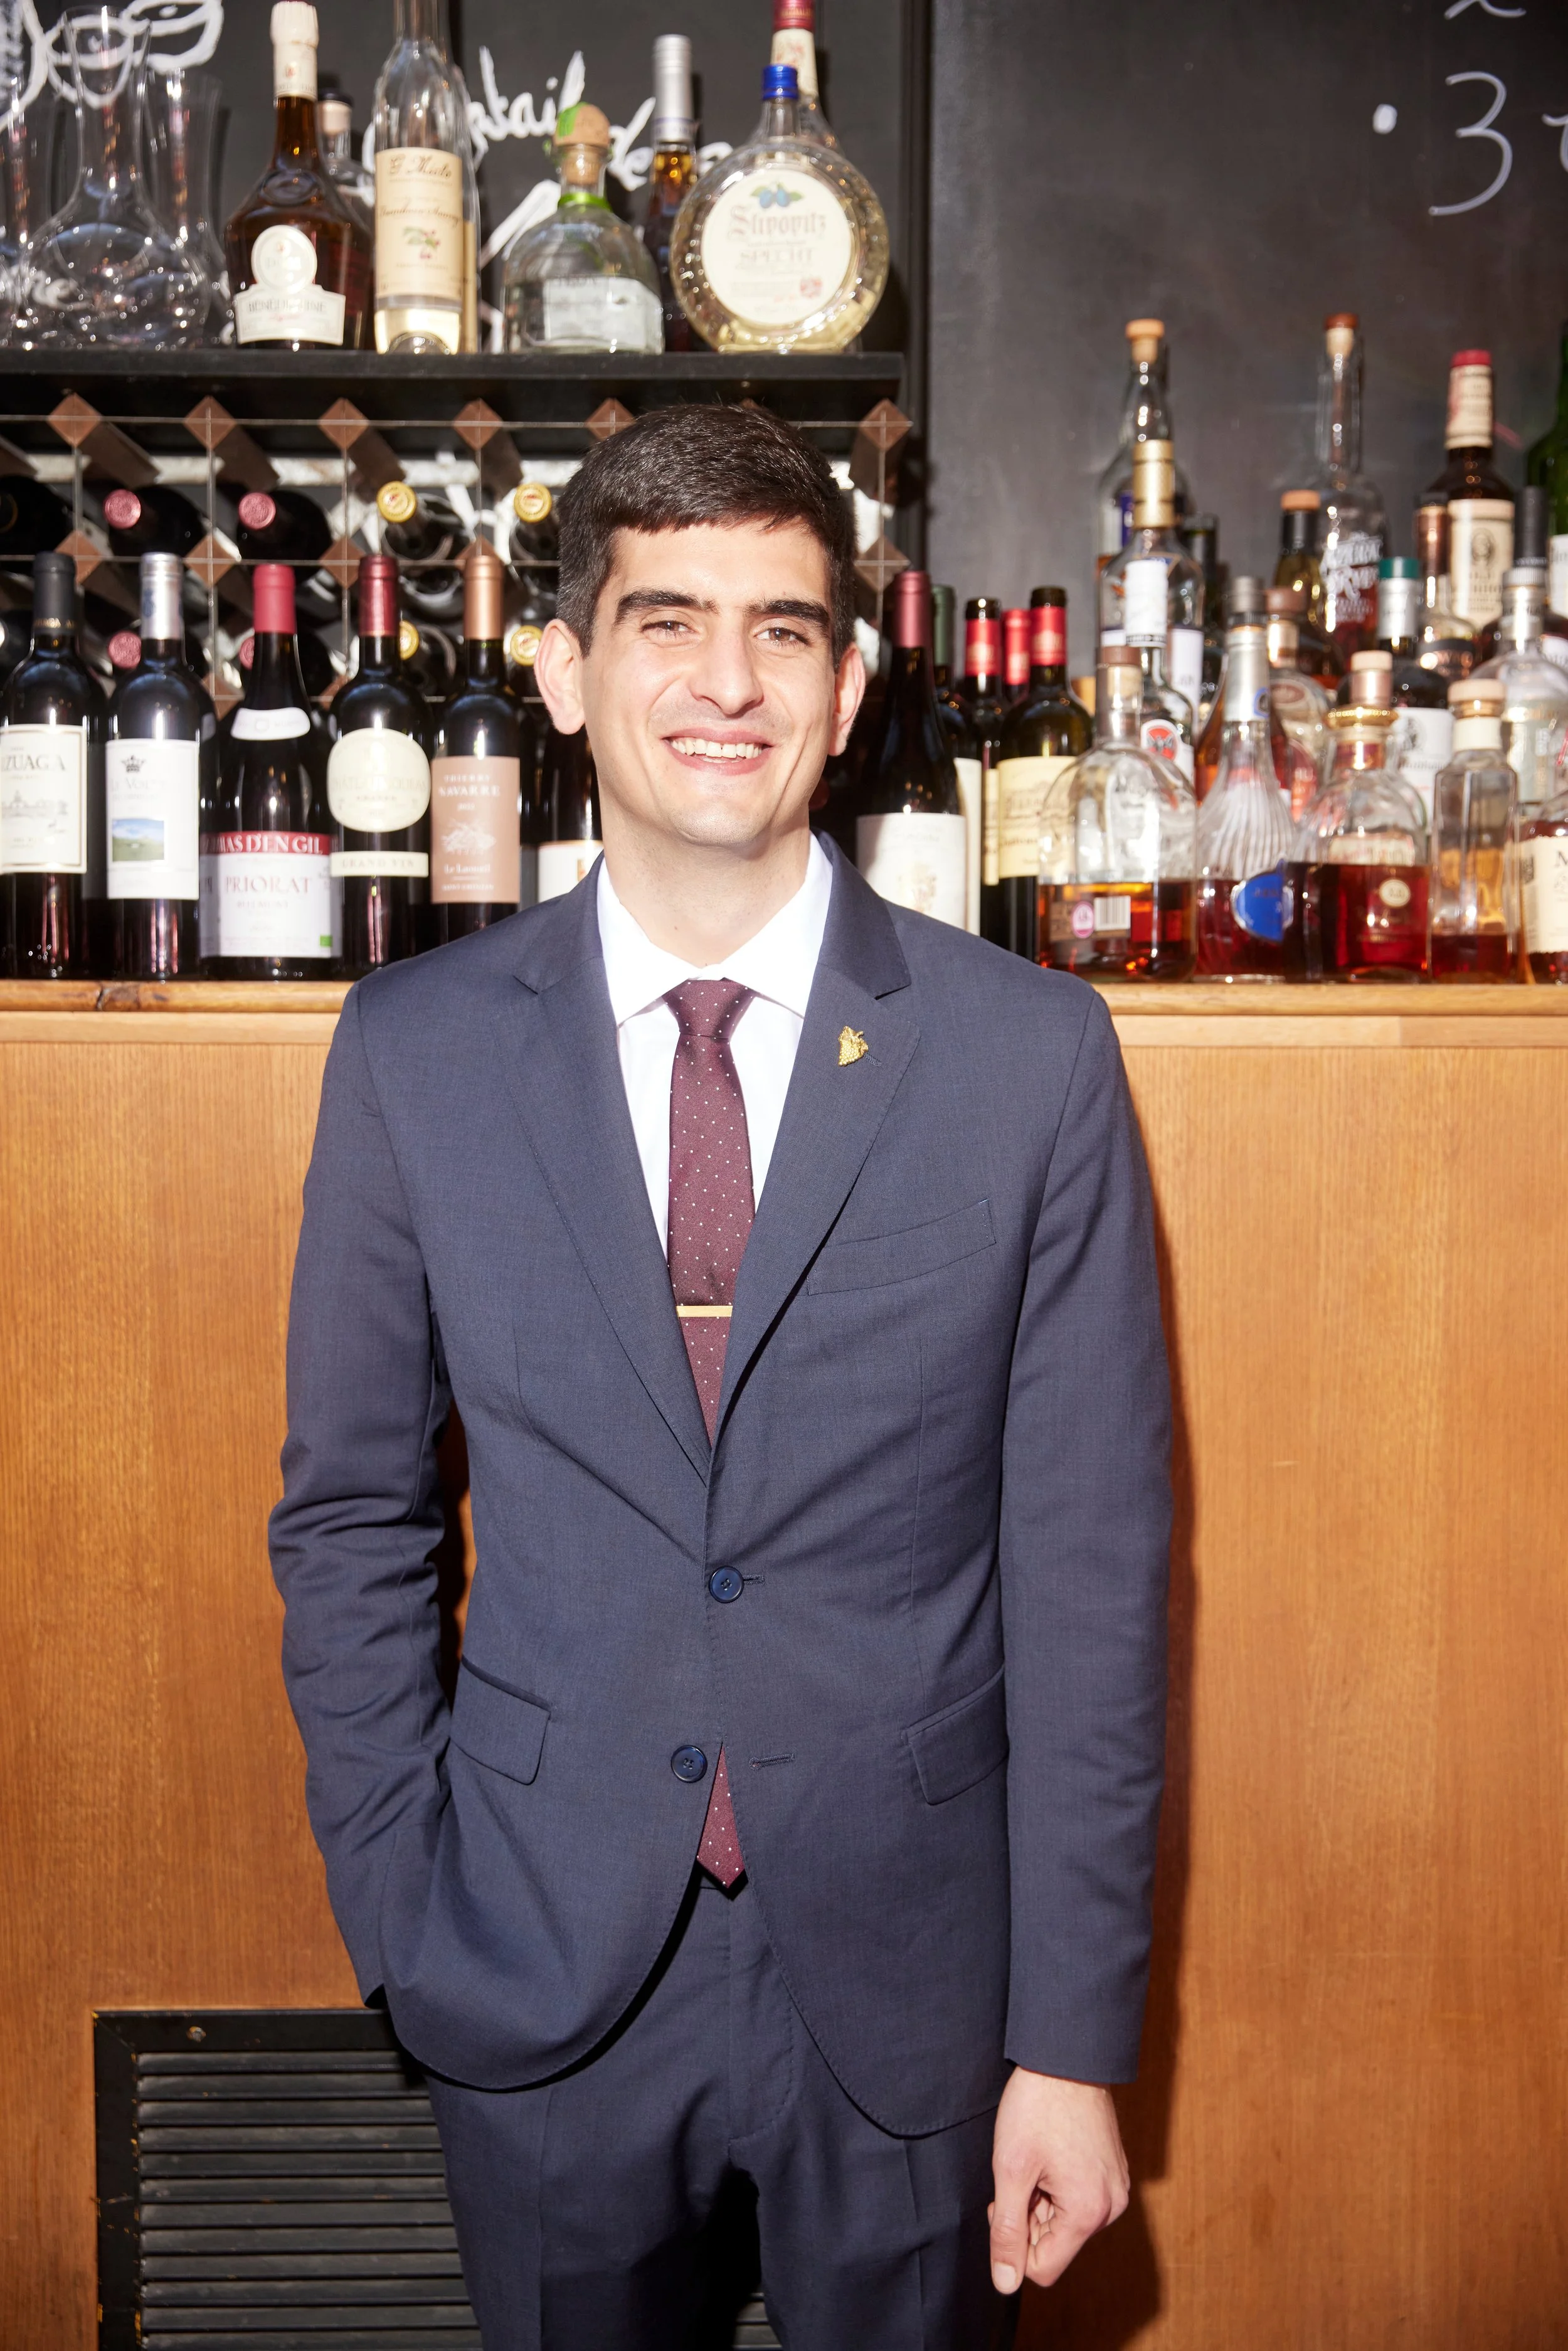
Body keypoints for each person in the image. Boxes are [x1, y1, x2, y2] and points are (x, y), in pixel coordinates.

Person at [270, 404, 1170, 2349]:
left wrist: (1073, 2038)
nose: (724, 680)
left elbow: (1095, 1575)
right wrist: (408, 1926)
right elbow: (349, 1516)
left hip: (924, 1989)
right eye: (664, 617)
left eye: (782, 626)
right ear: (562, 664)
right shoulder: (411, 1053)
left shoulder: (1030, 1060)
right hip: (533, 1967)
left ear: (848, 683)